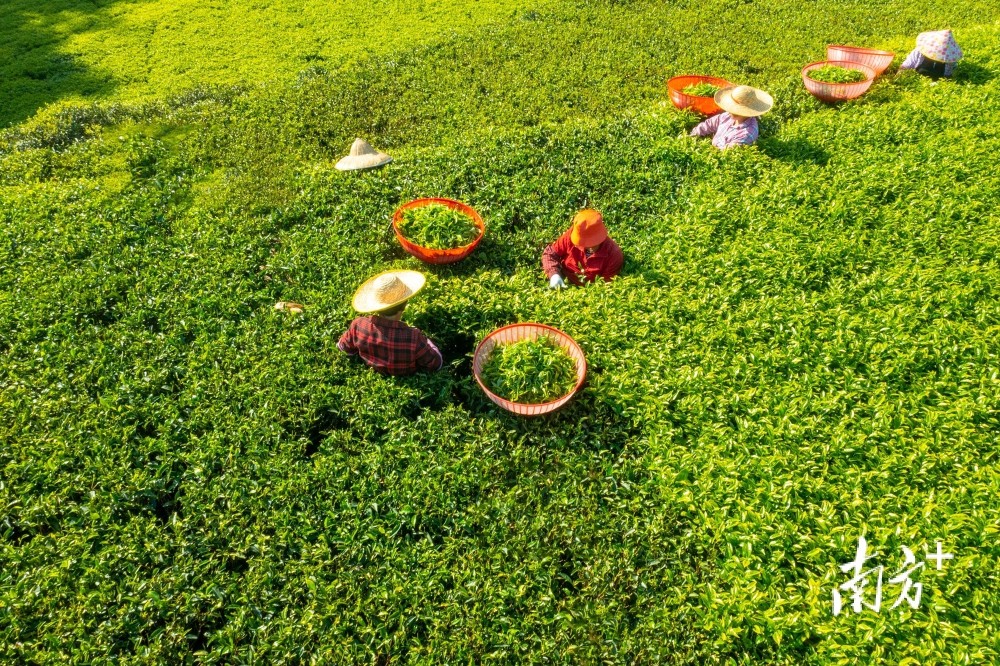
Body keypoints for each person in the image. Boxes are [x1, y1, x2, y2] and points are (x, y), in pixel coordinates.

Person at [338, 270, 443, 375]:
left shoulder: (358, 324)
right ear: (404, 305)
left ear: (377, 305)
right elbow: (436, 364)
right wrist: (428, 341)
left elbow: (343, 348)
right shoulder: (413, 337)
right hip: (405, 375)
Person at [542, 209, 624, 288]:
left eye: (592, 242)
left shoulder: (614, 254)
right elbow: (550, 253)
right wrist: (554, 275)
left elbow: (605, 286)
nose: (587, 245)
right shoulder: (571, 235)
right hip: (564, 280)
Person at [689, 85, 773, 150]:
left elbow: (727, 153)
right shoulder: (727, 116)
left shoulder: (747, 134)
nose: (729, 111)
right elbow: (709, 124)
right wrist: (693, 134)